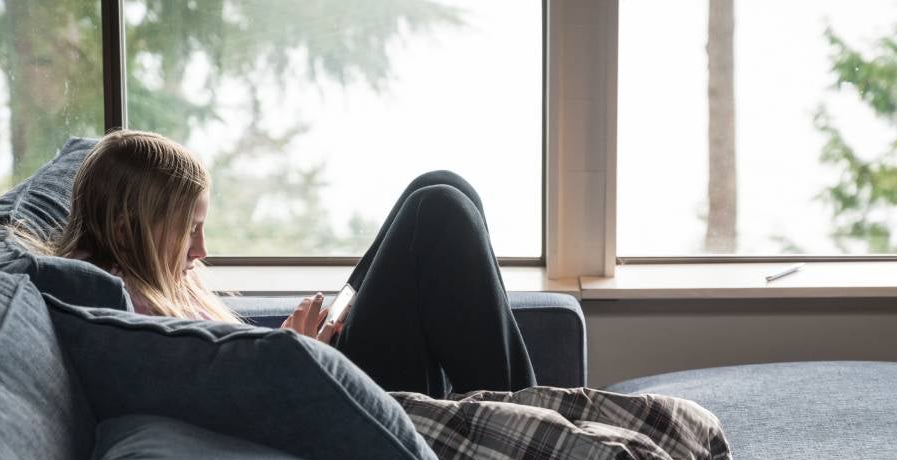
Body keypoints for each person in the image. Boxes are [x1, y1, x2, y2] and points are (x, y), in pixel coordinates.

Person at [50, 129, 536, 396]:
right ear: (123, 227)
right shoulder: (114, 306)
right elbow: (214, 401)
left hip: (302, 369)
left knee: (439, 184)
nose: (201, 251)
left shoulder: (138, 270)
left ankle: (524, 409)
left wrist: (287, 343)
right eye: (188, 231)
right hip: (318, 397)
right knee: (437, 211)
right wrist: (290, 353)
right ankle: (529, 417)